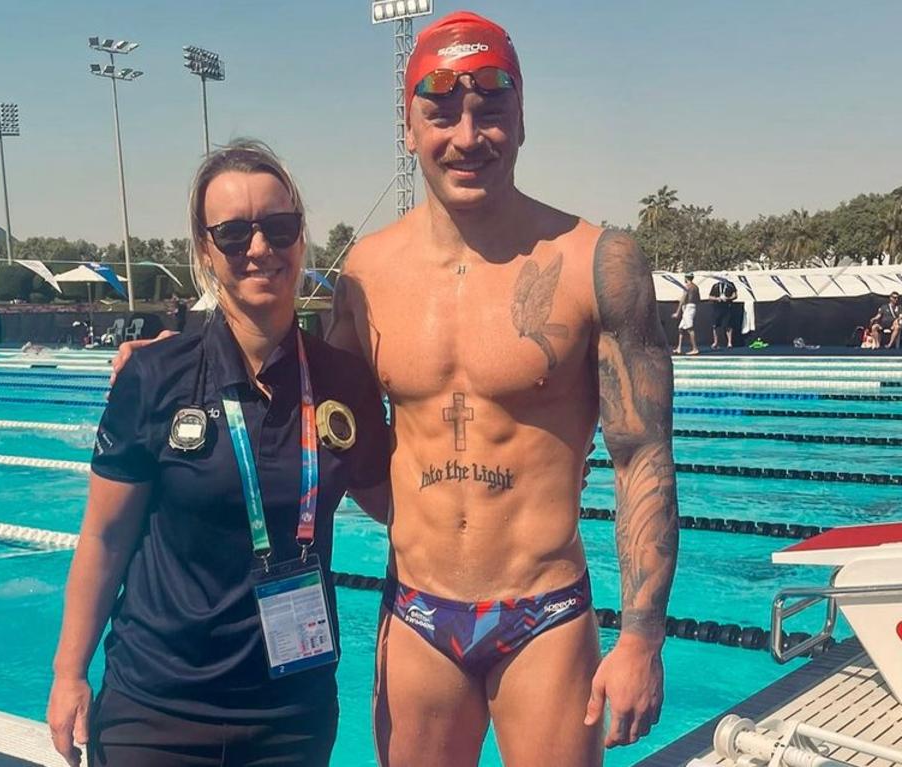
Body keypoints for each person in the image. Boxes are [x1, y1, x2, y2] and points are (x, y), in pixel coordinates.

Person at [112, 13, 677, 766]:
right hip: (417, 611)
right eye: (441, 112)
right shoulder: (368, 275)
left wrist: (641, 634)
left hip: (544, 608)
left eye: (492, 110)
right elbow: (311, 399)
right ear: (409, 126)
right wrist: (175, 358)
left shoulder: (596, 262)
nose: (467, 136)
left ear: (522, 117)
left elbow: (643, 455)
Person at [47, 140, 391, 767]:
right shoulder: (154, 375)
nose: (260, 249)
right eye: (234, 234)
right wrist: (69, 673)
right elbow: (104, 537)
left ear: (301, 237)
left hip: (292, 714)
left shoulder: (343, 381)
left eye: (278, 228)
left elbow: (396, 502)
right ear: (206, 249)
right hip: (158, 709)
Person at [672, 273, 700, 355]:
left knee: (689, 328)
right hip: (692, 306)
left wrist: (677, 312)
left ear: (686, 278)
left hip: (688, 307)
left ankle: (695, 348)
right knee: (680, 328)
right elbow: (698, 299)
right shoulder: (696, 287)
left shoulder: (687, 287)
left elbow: (683, 299)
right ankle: (679, 348)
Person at [708, 274, 737, 349]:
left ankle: (729, 343)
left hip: (727, 307)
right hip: (717, 307)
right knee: (715, 326)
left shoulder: (730, 285)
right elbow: (710, 297)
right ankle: (715, 342)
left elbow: (735, 295)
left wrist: (728, 298)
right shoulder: (715, 285)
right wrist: (717, 299)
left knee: (728, 325)